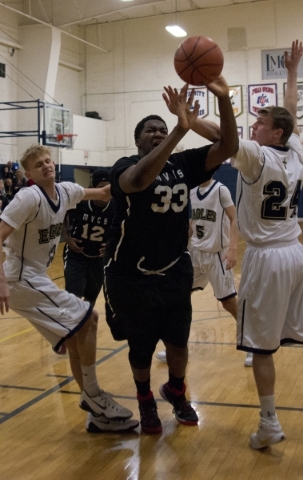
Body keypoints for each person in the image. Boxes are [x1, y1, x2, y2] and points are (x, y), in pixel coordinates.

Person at [103, 77, 238, 434]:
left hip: (175, 269)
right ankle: (145, 398)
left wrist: (223, 100)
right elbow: (141, 180)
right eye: (151, 130)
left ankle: (176, 391)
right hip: (131, 276)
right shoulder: (123, 166)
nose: (158, 133)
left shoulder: (183, 164)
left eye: (162, 128)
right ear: (137, 140)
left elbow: (228, 145)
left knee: (179, 342)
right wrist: (179, 131)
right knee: (141, 348)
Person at [0, 144, 139, 434]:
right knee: (90, 318)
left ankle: (96, 411)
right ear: (29, 174)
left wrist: (135, 179)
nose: (46, 166)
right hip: (20, 278)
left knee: (78, 337)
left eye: (48, 161)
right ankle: (94, 396)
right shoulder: (28, 197)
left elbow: (102, 194)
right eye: (39, 165)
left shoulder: (65, 191)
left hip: (35, 277)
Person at [230, 40, 303, 449]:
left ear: (273, 133)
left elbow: (220, 135)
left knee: (260, 348)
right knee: (288, 337)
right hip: (295, 251)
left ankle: (270, 423)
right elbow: (288, 115)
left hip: (266, 258)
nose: (252, 127)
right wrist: (291, 73)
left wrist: (191, 121)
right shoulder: (295, 150)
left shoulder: (257, 157)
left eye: (259, 124)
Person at [156, 177, 253, 367]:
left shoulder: (220, 189)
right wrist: (182, 242)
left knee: (228, 302)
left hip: (218, 254)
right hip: (196, 253)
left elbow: (235, 219)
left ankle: (251, 344)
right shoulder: (192, 191)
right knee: (179, 297)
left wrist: (233, 248)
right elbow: (195, 220)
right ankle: (176, 346)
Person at [63, 168, 114, 306]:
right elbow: (61, 214)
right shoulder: (81, 202)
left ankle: (84, 324)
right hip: (76, 255)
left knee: (91, 298)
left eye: (109, 188)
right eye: (102, 188)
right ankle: (71, 325)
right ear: (93, 188)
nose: (106, 192)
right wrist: (67, 238)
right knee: (73, 295)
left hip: (98, 259)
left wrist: (111, 245)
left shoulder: (116, 206)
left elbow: (124, 228)